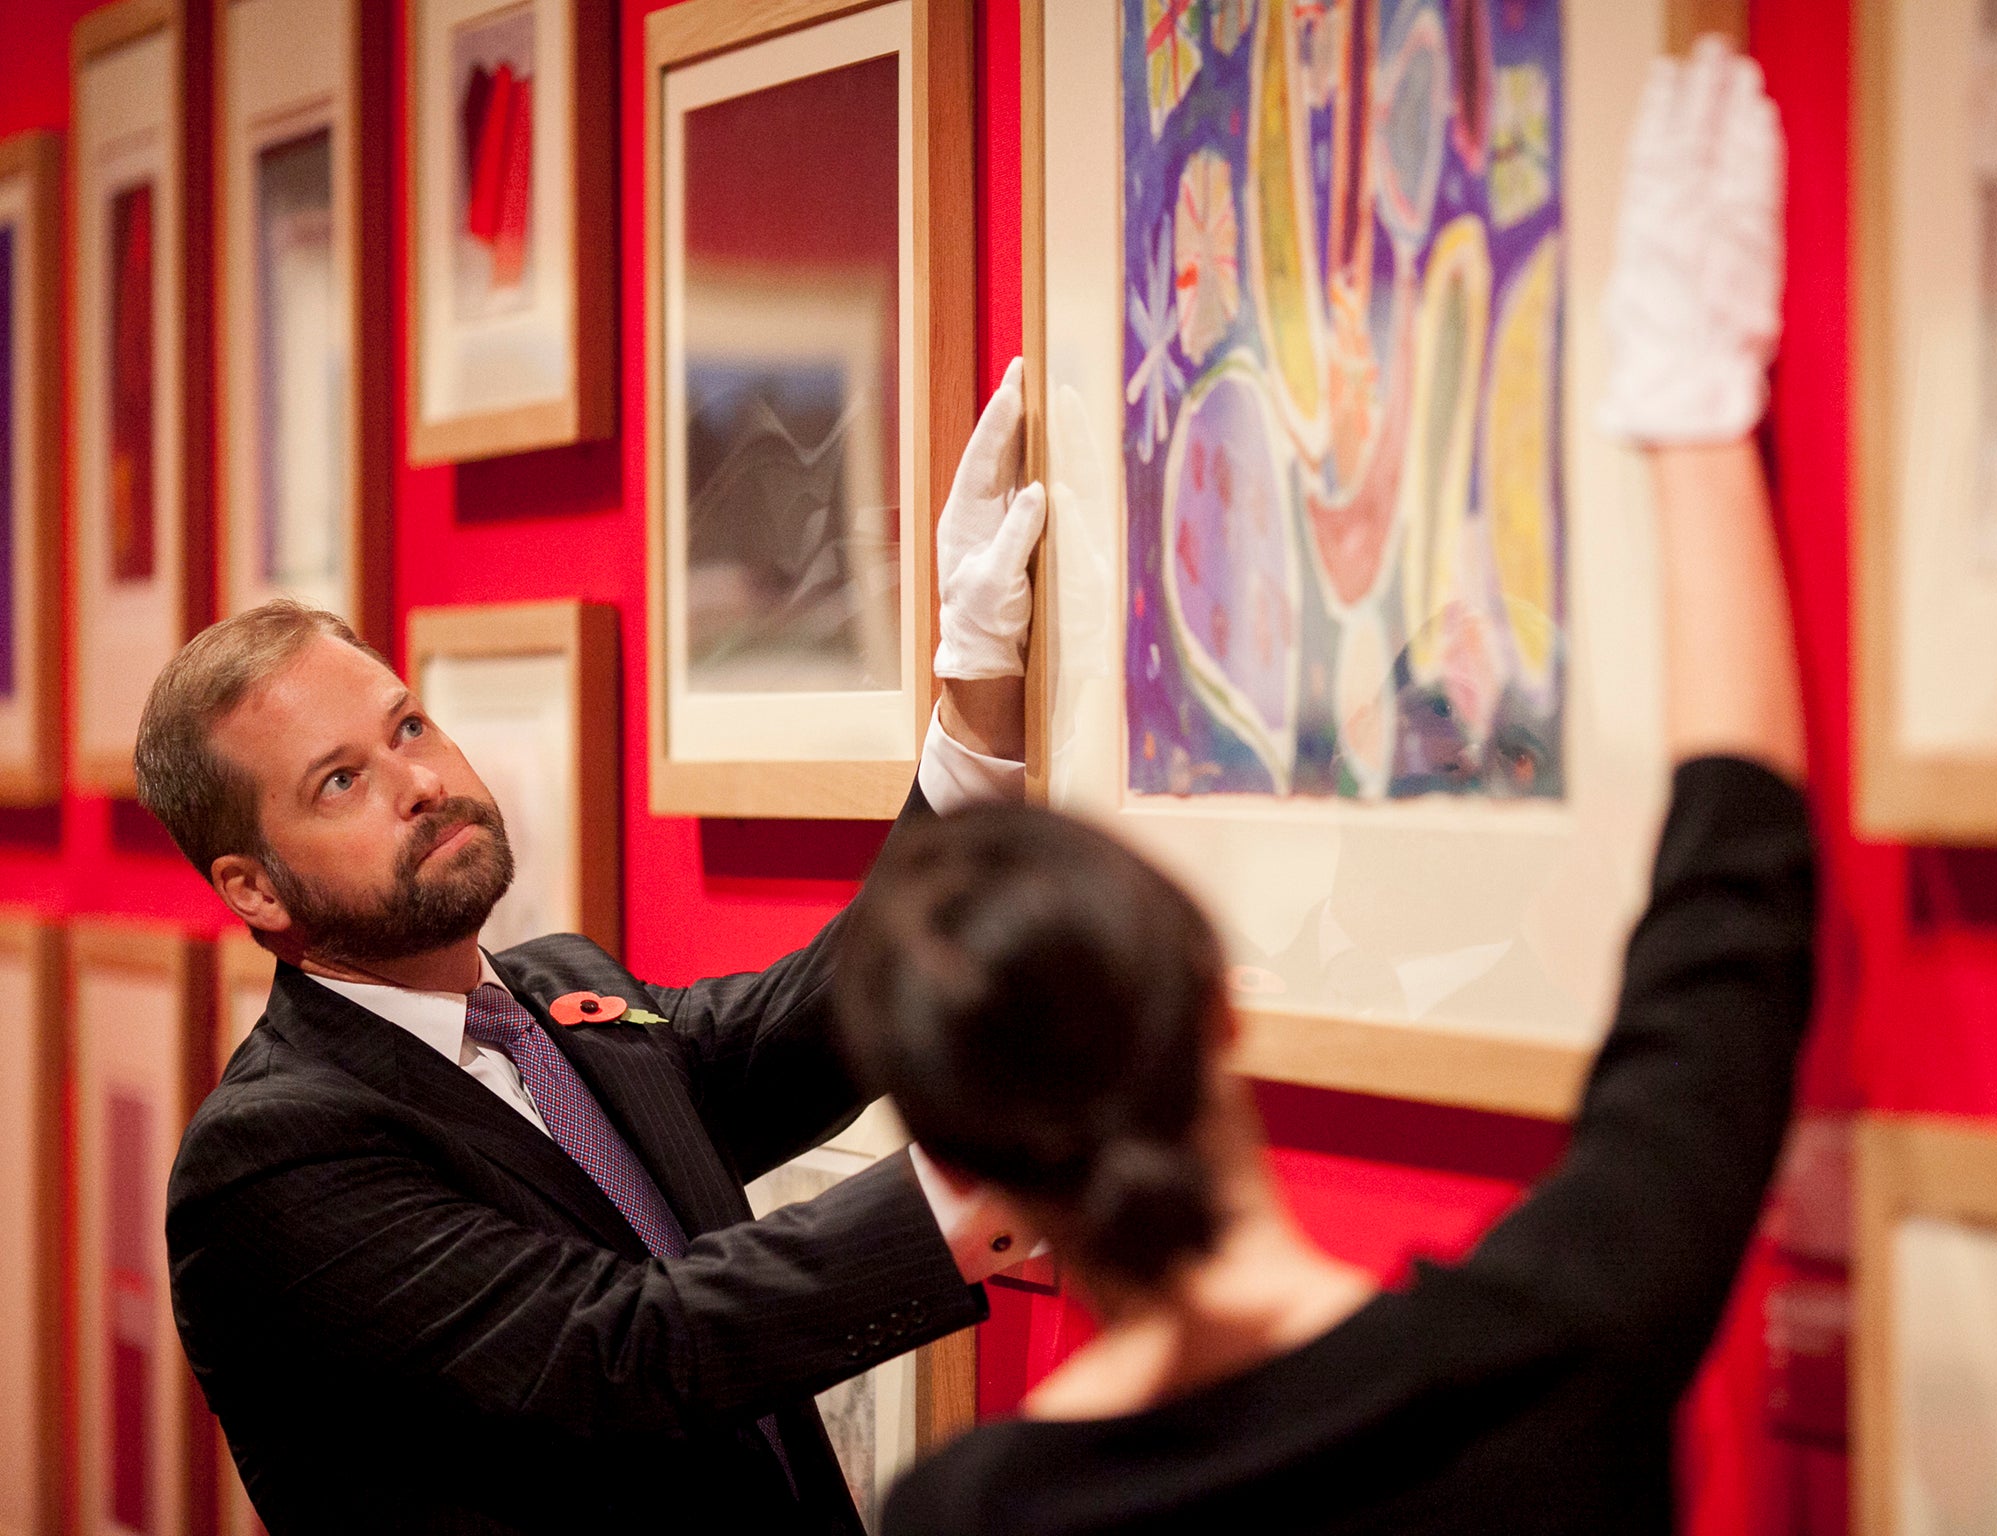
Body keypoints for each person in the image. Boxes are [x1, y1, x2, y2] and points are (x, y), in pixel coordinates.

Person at [831, 39, 1808, 1536]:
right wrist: (1690, 412)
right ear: (1222, 1004)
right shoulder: (1542, 1364)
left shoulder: (966, 1515)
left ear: (963, 1171)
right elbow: (1730, 920)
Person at [150, 363, 1045, 1535]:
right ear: (252, 888)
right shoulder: (269, 1157)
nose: (420, 782)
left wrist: (972, 692)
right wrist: (994, 1186)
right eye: (340, 782)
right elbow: (620, 1352)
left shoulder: (559, 994)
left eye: (408, 726)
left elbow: (824, 1021)